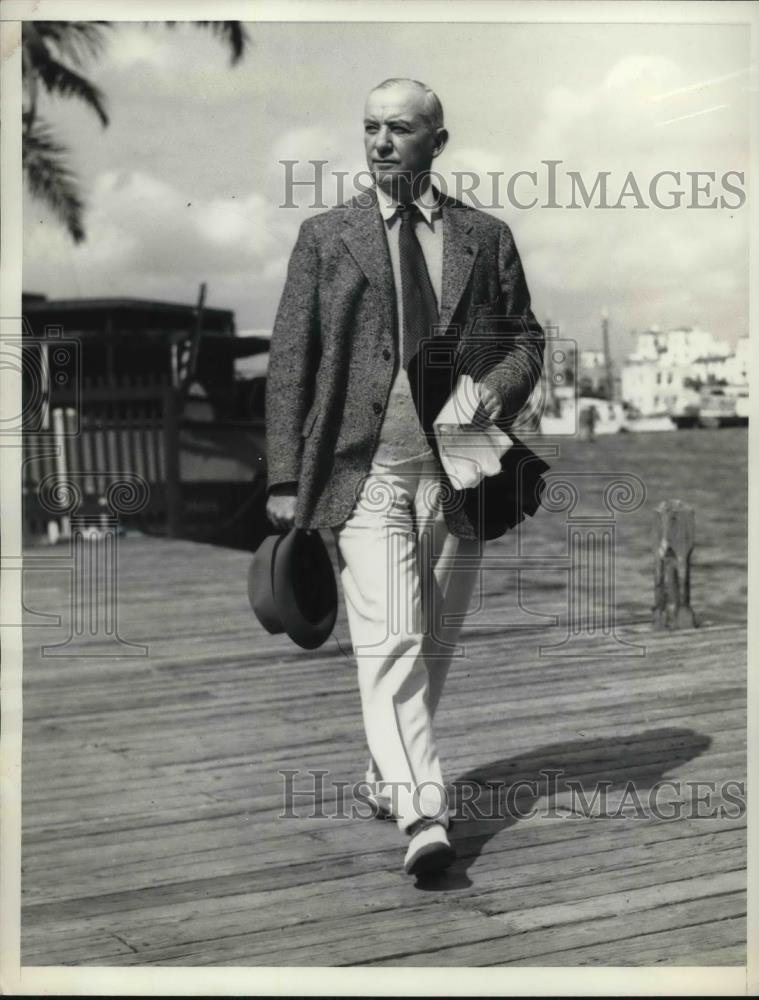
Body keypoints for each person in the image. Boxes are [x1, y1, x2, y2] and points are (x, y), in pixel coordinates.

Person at [265, 78, 544, 876]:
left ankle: (385, 773)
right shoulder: (328, 235)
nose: (381, 141)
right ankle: (425, 815)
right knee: (391, 640)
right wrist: (286, 476)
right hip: (365, 469)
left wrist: (498, 384)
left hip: (462, 463)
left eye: (399, 129)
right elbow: (292, 360)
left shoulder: (483, 238)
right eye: (369, 128)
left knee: (434, 642)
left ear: (436, 142)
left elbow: (523, 337)